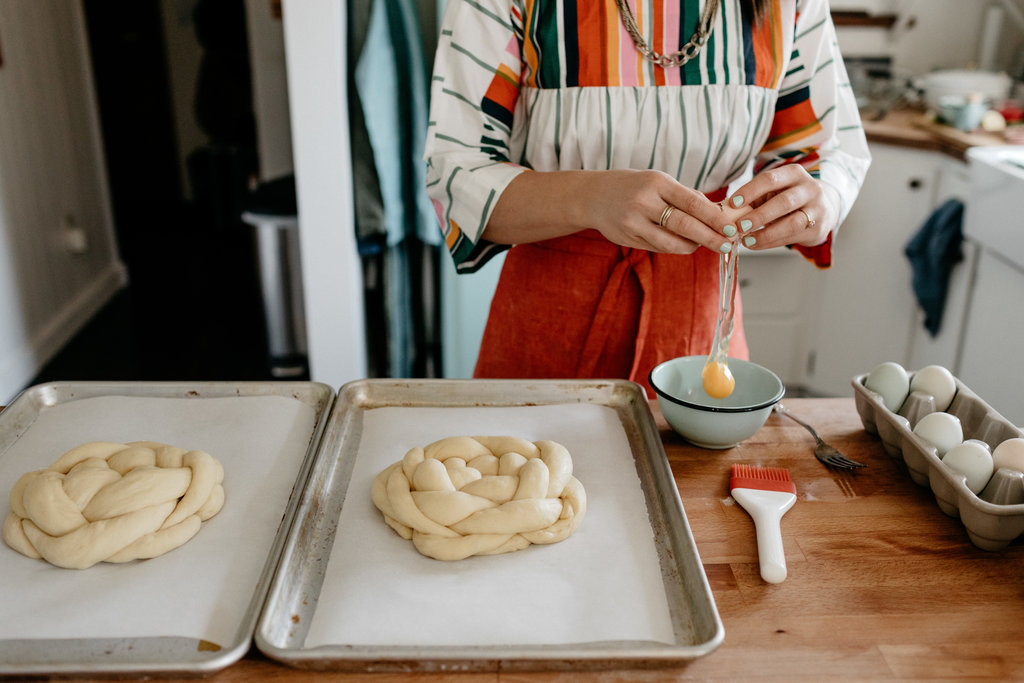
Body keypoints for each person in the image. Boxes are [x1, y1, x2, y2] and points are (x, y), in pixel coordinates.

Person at [423, 0, 870, 393]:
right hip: (550, 318)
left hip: (702, 323)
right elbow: (455, 170)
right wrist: (590, 198)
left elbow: (828, 154)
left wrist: (820, 200)